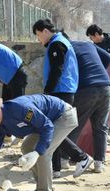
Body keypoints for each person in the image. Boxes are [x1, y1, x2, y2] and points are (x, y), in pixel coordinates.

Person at [32, 19, 93, 178]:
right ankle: (56, 168)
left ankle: (82, 157)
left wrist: (47, 93)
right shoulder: (61, 41)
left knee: (54, 130)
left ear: (45, 31)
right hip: (64, 90)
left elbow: (56, 71)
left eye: (38, 35)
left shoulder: (57, 44)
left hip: (60, 91)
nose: (39, 40)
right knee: (53, 128)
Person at [58, 30, 110, 173]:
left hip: (87, 89)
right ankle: (99, 163)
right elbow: (107, 57)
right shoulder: (88, 44)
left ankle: (64, 160)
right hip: (106, 86)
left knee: (75, 124)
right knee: (101, 127)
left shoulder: (64, 48)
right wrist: (97, 71)